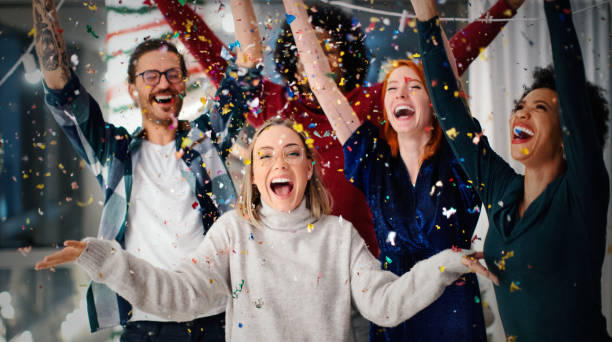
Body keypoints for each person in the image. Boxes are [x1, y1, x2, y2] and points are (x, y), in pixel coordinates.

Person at [35, 118, 499, 342]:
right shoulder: (234, 234)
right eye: (266, 154)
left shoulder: (339, 237)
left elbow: (385, 304)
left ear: (309, 169)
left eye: (292, 152)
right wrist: (105, 258)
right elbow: (176, 296)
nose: (280, 161)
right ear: (254, 177)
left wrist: (447, 263)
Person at [153, 0, 526, 258]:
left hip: (370, 265)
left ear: (348, 56)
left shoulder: (375, 103)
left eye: (328, 47)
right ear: (292, 56)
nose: (317, 57)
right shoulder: (275, 108)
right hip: (296, 269)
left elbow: (445, 62)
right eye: (307, 49)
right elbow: (208, 51)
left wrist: (505, 6)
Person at [32, 0, 260, 338]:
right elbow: (63, 92)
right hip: (143, 323)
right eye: (150, 76)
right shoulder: (113, 152)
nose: (163, 84)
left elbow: (247, 69)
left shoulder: (206, 139)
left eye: (172, 75)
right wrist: (44, 11)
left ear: (183, 84)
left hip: (217, 319)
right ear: (132, 89)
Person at [282, 0, 486, 340]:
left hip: (454, 317)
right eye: (391, 87)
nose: (400, 92)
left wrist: (424, 9)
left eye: (414, 86)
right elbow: (322, 84)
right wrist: (292, 5)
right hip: (394, 312)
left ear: (434, 102)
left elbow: (445, 75)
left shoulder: (458, 156)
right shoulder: (373, 161)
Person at [411, 0, 612, 340]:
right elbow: (448, 108)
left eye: (540, 108)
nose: (521, 113)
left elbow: (571, 83)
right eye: (520, 106)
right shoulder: (502, 190)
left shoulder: (583, 191)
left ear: (567, 135)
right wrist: (425, 14)